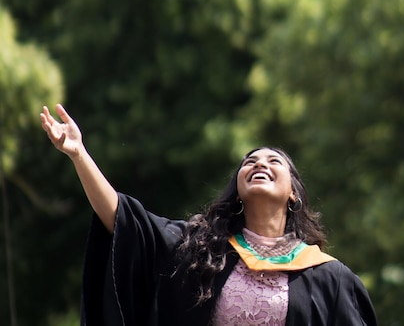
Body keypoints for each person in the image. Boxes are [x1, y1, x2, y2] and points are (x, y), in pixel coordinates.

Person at [40, 104, 378, 326]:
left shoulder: (329, 279)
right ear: (238, 189)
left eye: (273, 162)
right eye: (250, 162)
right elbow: (123, 219)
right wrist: (79, 155)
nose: (259, 163)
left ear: (294, 193)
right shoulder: (200, 251)